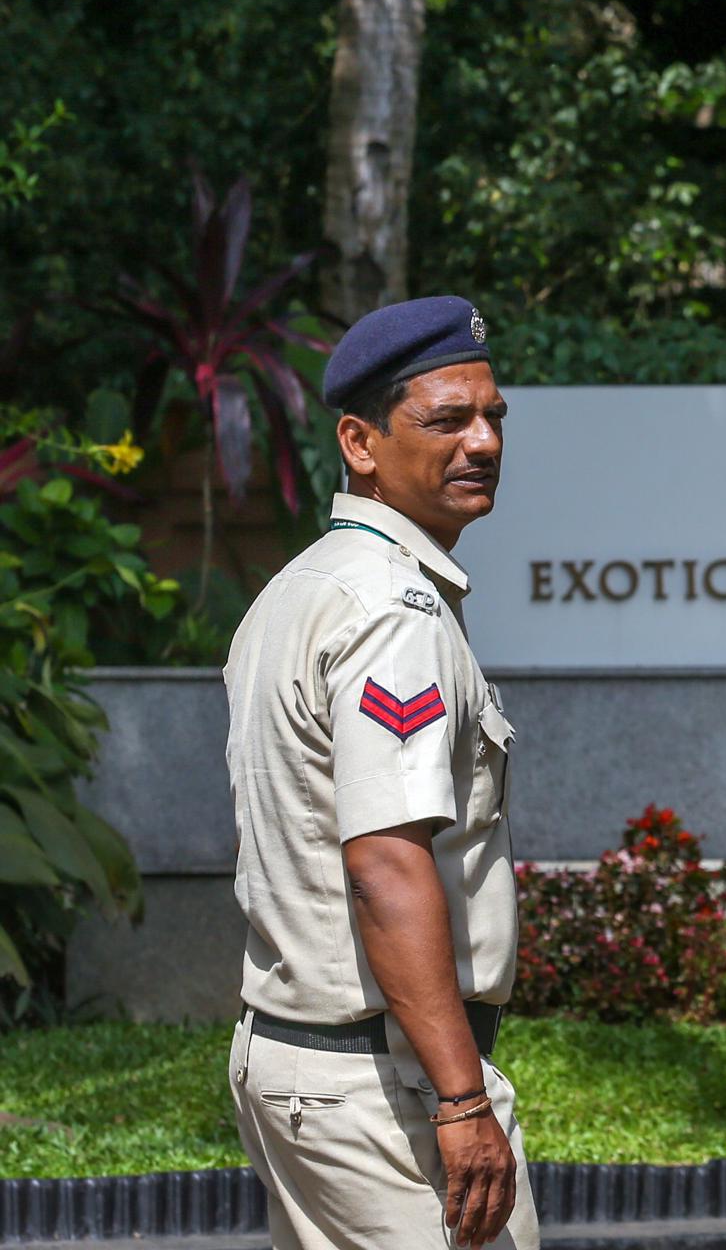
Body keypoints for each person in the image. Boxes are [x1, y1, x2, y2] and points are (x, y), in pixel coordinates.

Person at [224, 295, 538, 1249]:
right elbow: (384, 862)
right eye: (446, 419)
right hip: (381, 1088)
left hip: (298, 1066)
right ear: (360, 442)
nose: (481, 441)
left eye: (493, 417)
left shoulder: (303, 588)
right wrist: (458, 1101)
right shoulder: (393, 612)